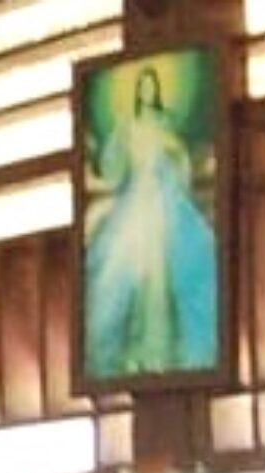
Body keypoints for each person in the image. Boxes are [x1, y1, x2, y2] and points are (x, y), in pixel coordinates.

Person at [81, 62, 219, 380]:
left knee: (161, 275)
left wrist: (173, 170)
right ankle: (134, 350)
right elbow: (114, 169)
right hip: (135, 203)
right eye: (141, 86)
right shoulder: (127, 126)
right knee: (122, 272)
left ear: (154, 89)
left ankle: (162, 352)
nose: (145, 91)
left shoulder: (163, 123)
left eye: (149, 85)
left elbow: (180, 160)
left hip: (160, 202)